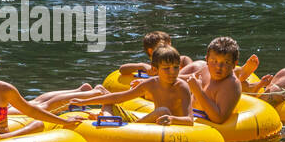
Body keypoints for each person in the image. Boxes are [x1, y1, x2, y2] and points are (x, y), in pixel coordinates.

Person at [57, 46, 197, 124]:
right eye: (166, 68)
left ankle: (132, 126)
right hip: (149, 122)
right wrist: (85, 101)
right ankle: (106, 117)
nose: (172, 72)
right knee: (109, 99)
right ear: (154, 70)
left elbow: (189, 120)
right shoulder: (151, 83)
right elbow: (120, 97)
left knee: (163, 111)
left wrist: (172, 119)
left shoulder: (181, 87)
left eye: (176, 67)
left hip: (168, 124)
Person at [180, 36, 243, 124]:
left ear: (234, 64)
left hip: (205, 126)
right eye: (214, 61)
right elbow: (189, 79)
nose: (218, 67)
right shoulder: (206, 70)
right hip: (189, 114)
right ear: (207, 59)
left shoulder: (231, 84)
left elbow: (219, 118)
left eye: (226, 62)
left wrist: (199, 92)